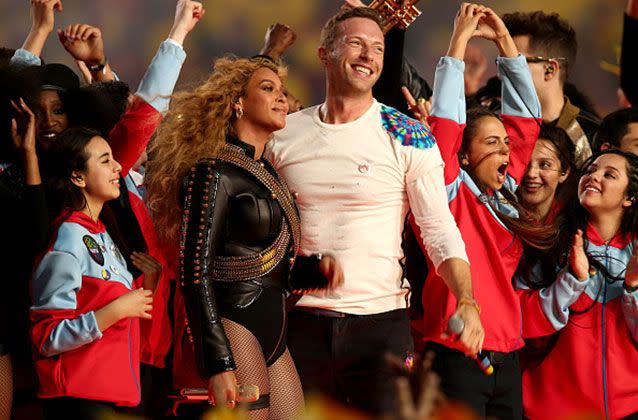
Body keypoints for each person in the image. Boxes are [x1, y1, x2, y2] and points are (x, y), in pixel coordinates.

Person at [266, 6, 483, 416]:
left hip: (381, 325)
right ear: (324, 54)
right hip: (298, 324)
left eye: (378, 48)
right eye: (356, 44)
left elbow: (438, 228)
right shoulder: (283, 134)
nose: (369, 56)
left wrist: (466, 299)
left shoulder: (407, 134)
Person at [146, 56, 338, 419]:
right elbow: (194, 269)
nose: (282, 98)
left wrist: (315, 274)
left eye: (283, 91)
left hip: (274, 333)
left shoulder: (269, 174)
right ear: (237, 102)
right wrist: (217, 361)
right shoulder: (212, 171)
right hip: (234, 325)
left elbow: (264, 266)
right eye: (268, 89)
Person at [418, 4, 547, 417]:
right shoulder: (451, 192)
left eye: (505, 144)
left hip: (508, 351)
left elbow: (526, 123)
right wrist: (458, 42)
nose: (506, 149)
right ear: (465, 157)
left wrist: (505, 43)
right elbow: (446, 126)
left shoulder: (506, 195)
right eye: (490, 143)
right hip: (456, 349)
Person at [26, 124, 159, 419]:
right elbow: (47, 337)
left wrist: (146, 286)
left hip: (115, 398)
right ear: (78, 177)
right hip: (78, 400)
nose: (118, 167)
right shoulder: (67, 238)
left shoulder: (103, 234)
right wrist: (117, 309)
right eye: (105, 160)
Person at [516, 149, 638, 419]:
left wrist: (632, 286)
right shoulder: (550, 243)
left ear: (630, 197)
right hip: (551, 408)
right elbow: (521, 320)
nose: (593, 177)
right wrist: (572, 280)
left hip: (628, 409)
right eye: (591, 170)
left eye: (609, 174)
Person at [503, 10, 600, 165]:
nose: (502, 73)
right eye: (502, 63)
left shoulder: (593, 137)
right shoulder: (494, 129)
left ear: (550, 69)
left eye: (515, 63)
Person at [517, 124, 576, 222]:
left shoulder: (573, 225)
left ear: (564, 173)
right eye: (525, 163)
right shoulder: (495, 212)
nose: (531, 174)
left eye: (544, 165)